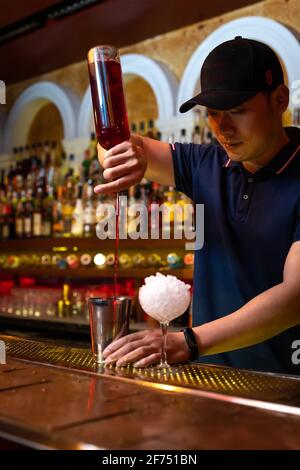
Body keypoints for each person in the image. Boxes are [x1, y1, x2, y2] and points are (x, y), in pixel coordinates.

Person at [94, 36, 300, 374]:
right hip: (210, 379)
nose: (223, 128)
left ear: (279, 100)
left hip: (286, 386)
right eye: (214, 113)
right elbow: (127, 146)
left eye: (237, 111)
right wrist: (120, 156)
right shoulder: (205, 164)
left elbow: (295, 298)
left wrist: (189, 341)